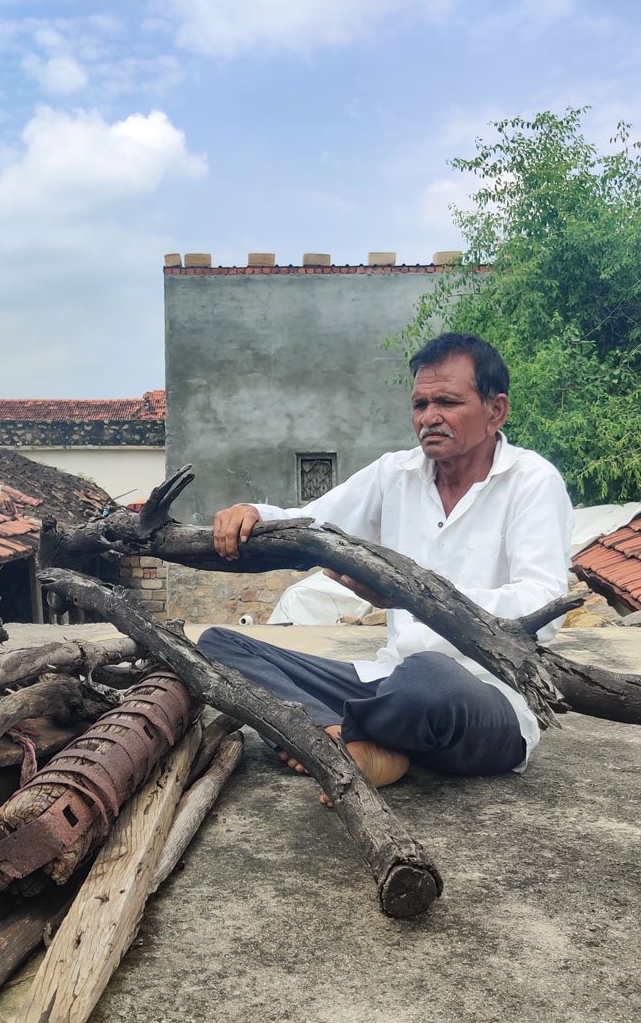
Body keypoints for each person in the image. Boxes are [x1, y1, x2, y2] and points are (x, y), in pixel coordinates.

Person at [197, 332, 573, 800]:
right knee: (217, 647)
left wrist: (415, 597)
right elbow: (314, 524)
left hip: (481, 697)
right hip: (388, 680)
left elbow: (544, 608)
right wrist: (253, 514)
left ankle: (327, 733)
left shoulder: (533, 481)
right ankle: (340, 738)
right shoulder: (394, 473)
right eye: (420, 404)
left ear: (495, 411)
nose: (429, 418)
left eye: (448, 402)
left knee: (429, 677)